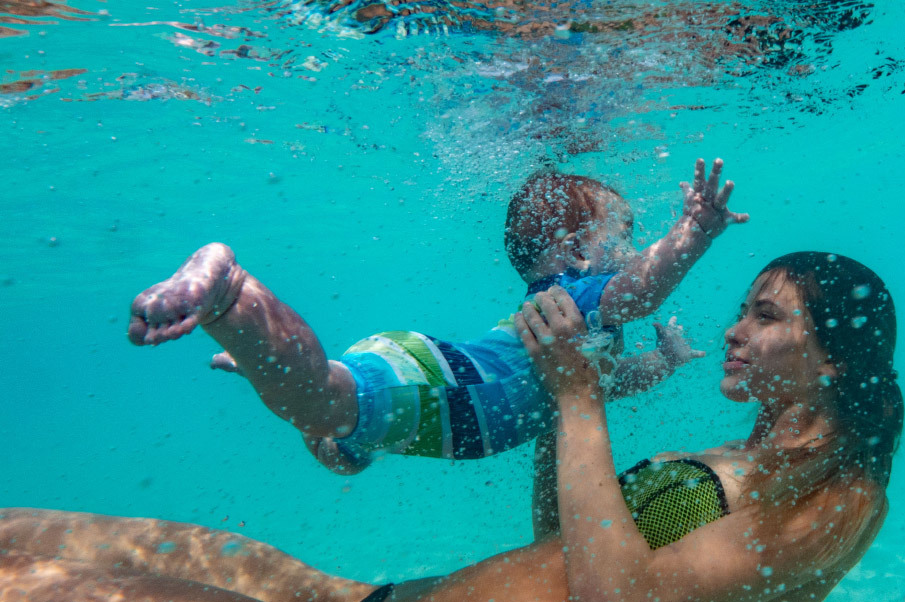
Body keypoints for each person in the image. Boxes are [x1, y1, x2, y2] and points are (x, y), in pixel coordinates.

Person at [0, 252, 901, 602]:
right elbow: (566, 542)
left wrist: (581, 398)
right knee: (22, 546)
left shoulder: (840, 501)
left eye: (767, 315)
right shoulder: (747, 461)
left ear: (835, 360)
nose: (735, 330)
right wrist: (560, 402)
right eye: (744, 307)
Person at [127, 158, 747, 474]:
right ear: (581, 252)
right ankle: (232, 297)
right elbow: (641, 291)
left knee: (342, 446)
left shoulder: (576, 341)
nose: (635, 250)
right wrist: (694, 232)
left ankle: (271, 360)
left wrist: (663, 361)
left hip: (435, 377)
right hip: (451, 386)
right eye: (628, 235)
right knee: (322, 402)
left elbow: (608, 386)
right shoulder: (574, 302)